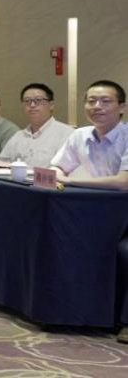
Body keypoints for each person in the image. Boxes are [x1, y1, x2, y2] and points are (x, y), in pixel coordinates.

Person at [48, 80, 128, 345]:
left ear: (122, 107)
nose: (97, 106)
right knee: (63, 236)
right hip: (98, 212)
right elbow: (57, 168)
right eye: (91, 101)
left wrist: (70, 181)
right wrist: (60, 176)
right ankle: (72, 311)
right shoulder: (80, 135)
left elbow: (123, 182)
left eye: (105, 101)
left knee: (125, 251)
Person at [0, 83, 74, 167]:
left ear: (51, 105)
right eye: (27, 101)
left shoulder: (66, 133)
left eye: (38, 100)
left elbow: (67, 168)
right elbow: (2, 164)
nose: (32, 105)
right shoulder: (18, 136)